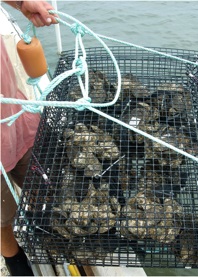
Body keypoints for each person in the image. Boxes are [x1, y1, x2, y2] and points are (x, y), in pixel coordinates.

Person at [1, 1, 57, 275]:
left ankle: (48, 230)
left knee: (39, 176)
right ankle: (15, 261)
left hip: (8, 106)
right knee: (1, 212)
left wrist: (22, 3)